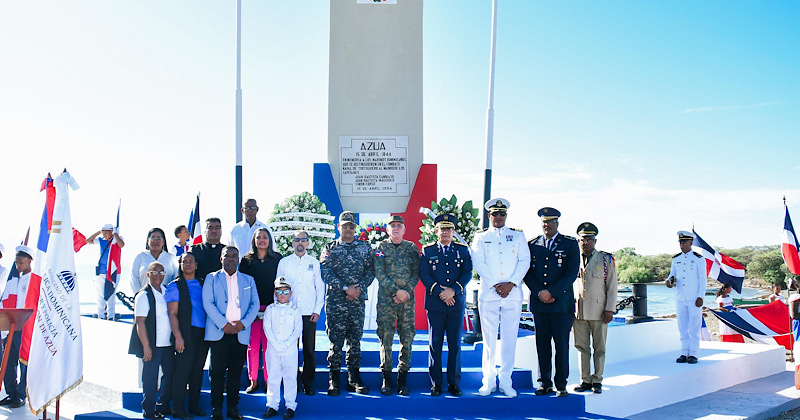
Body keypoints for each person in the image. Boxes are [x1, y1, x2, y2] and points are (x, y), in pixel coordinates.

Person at [470, 198, 530, 398]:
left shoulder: (518, 236)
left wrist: (511, 283)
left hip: (512, 294)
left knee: (509, 339)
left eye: (501, 214)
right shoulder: (480, 237)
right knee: (489, 340)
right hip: (489, 294)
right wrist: (497, 283)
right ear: (489, 216)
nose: (498, 217)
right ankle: (488, 381)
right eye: (495, 214)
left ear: (506, 216)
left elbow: (524, 261)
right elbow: (478, 262)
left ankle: (506, 381)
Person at [523, 207, 580, 397]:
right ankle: (544, 382)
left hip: (561, 304)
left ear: (557, 223)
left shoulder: (570, 244)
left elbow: (571, 273)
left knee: (561, 346)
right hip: (540, 304)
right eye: (544, 222)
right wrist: (540, 292)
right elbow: (527, 272)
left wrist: (552, 292)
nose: (547, 226)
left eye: (550, 222)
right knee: (542, 345)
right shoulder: (532, 244)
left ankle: (561, 384)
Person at [320, 211, 375, 396]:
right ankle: (333, 379)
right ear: (339, 227)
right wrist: (345, 288)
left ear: (355, 228)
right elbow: (325, 272)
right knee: (335, 341)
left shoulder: (365, 247)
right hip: (336, 302)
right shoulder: (330, 247)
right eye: (345, 226)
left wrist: (357, 289)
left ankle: (354, 378)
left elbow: (371, 270)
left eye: (351, 226)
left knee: (355, 340)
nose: (349, 229)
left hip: (357, 301)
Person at [202, 246, 260, 420]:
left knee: (235, 373)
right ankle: (217, 409)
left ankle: (233, 408)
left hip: (240, 333)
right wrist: (223, 324)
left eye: (235, 256)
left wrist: (242, 324)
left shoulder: (248, 280)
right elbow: (208, 303)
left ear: (239, 259)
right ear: (221, 259)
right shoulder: (211, 278)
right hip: (219, 333)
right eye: (228, 256)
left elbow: (254, 305)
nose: (231, 259)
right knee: (217, 373)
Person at [419, 214, 472, 397]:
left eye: (449, 229)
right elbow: (424, 275)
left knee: (455, 345)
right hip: (436, 304)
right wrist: (441, 292)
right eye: (443, 229)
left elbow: (467, 272)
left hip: (456, 303)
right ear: (436, 231)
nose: (446, 232)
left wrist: (453, 290)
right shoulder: (427, 251)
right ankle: (436, 383)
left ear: (453, 232)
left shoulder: (462, 250)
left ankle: (453, 383)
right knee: (435, 344)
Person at [373, 215, 420, 396]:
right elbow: (379, 272)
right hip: (387, 300)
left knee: (406, 337)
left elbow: (416, 272)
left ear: (404, 229)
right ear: (387, 230)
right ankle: (386, 378)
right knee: (386, 337)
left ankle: (403, 377)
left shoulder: (411, 248)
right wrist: (395, 291)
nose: (396, 229)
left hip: (407, 301)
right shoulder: (380, 248)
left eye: (399, 226)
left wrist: (406, 291)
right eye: (392, 226)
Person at [275, 230, 325, 395]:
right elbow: (278, 287)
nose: (300, 243)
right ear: (292, 242)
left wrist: (317, 310)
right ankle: (292, 382)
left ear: (308, 243)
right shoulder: (284, 262)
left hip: (308, 313)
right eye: (297, 240)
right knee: (291, 350)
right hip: (290, 313)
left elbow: (320, 288)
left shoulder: (314, 263)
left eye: (303, 240)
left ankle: (308, 383)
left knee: (309, 350)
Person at [572, 222, 617, 395]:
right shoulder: (573, 259)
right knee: (581, 348)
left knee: (599, 348)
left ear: (595, 241)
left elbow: (612, 287)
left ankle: (597, 379)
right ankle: (585, 380)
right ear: (578, 241)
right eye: (583, 239)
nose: (586, 243)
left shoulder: (606, 260)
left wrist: (610, 309)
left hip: (599, 311)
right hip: (579, 311)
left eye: (590, 239)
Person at [238, 228, 283, 393]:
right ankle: (254, 380)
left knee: (269, 347)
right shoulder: (246, 260)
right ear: (254, 241)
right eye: (259, 238)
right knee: (253, 346)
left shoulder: (277, 259)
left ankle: (268, 380)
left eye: (265, 237)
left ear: (269, 240)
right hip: (253, 310)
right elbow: (242, 285)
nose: (262, 240)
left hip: (272, 307)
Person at [128, 262, 175, 419]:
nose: (158, 276)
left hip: (167, 344)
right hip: (152, 345)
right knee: (150, 379)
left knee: (169, 374)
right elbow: (140, 322)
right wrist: (146, 347)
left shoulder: (166, 291)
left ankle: (163, 405)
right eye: (155, 272)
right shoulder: (143, 295)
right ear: (148, 275)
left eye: (161, 273)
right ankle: (148, 410)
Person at [166, 252, 209, 419]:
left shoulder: (203, 283)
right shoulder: (174, 285)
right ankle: (178, 408)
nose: (188, 264)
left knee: (197, 371)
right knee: (183, 371)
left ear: (196, 264)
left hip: (202, 333)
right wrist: (178, 336)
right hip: (185, 333)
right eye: (185, 262)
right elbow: (172, 314)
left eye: (191, 261)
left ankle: (194, 405)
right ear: (181, 264)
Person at [262, 277, 303, 420]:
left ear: (290, 293)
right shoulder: (270, 309)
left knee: (290, 377)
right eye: (279, 291)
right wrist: (276, 344)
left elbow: (297, 330)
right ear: (275, 293)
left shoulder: (296, 310)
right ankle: (272, 405)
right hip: (273, 349)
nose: (283, 294)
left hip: (289, 350)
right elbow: (267, 328)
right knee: (273, 377)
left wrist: (285, 344)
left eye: (286, 291)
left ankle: (290, 406)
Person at [0, 245, 35, 408]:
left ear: (29, 261)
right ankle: (11, 393)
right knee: (8, 361)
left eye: (21, 263)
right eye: (16, 263)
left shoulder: (34, 280)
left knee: (24, 362)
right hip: (12, 326)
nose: (18, 266)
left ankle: (21, 394)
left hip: (26, 327)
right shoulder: (15, 279)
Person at [665, 230, 707, 364]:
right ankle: (684, 352)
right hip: (680, 297)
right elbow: (672, 275)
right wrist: (669, 281)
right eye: (680, 242)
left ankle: (693, 353)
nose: (681, 245)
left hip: (694, 298)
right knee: (682, 327)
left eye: (684, 242)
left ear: (691, 242)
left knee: (694, 327)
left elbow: (703, 279)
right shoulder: (676, 259)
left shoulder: (698, 259)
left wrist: (701, 296)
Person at [86, 224, 126, 320]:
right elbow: (88, 241)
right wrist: (99, 232)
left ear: (111, 232)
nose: (104, 235)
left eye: (105, 233)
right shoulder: (101, 241)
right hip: (102, 271)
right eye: (103, 233)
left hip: (114, 271)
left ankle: (111, 315)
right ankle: (101, 315)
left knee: (111, 293)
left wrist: (115, 234)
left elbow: (122, 245)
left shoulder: (117, 239)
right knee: (100, 294)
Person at [131, 228, 179, 293]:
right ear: (148, 241)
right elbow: (134, 279)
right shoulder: (140, 257)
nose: (155, 241)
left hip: (167, 298)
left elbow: (177, 278)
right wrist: (139, 295)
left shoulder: (171, 257)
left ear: (163, 242)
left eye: (159, 239)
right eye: (152, 238)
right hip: (145, 298)